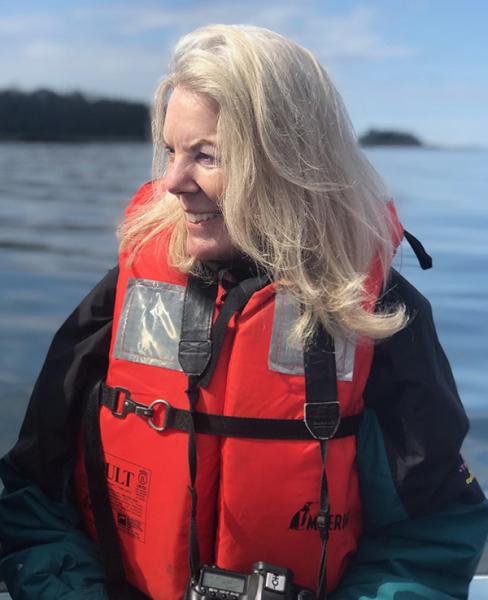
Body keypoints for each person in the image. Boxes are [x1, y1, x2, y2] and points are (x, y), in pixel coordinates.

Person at [0, 24, 487, 600]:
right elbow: (32, 500)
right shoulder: (125, 297)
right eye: (172, 151)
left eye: (205, 156)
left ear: (288, 160)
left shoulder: (377, 314)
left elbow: (431, 532)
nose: (174, 183)